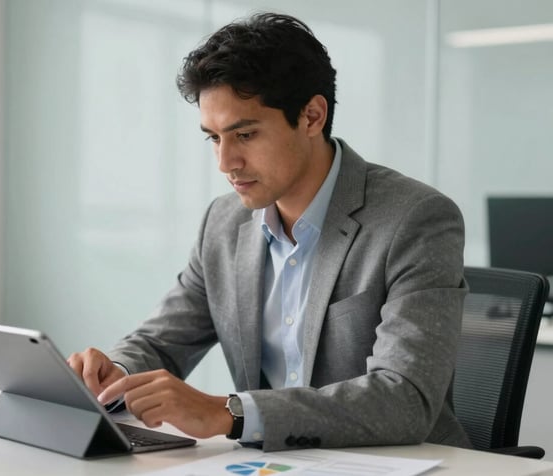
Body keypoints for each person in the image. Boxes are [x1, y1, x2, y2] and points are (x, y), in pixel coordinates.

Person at [67, 12, 471, 451]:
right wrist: (115, 374)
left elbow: (404, 399)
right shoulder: (223, 224)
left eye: (244, 134)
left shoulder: (415, 219)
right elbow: (161, 343)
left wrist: (230, 413)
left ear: (312, 116)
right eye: (214, 138)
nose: (225, 163)